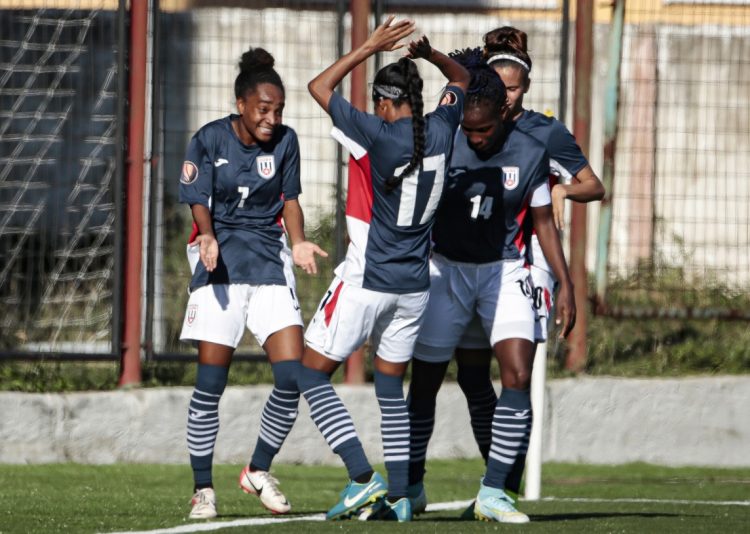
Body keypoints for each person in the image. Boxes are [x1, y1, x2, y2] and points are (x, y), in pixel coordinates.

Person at [299, 16, 469, 522]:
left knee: (309, 376)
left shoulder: (379, 134)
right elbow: (460, 81)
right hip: (414, 287)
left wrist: (368, 46)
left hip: (371, 280)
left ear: (387, 102)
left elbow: (318, 86)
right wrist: (433, 55)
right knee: (391, 388)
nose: (374, 108)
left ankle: (359, 476)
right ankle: (400, 493)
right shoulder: (440, 127)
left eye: (378, 99)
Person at [405, 48, 576, 523]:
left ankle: (495, 491)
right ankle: (411, 485)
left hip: (504, 270)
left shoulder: (531, 149)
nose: (476, 138)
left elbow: (543, 221)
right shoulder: (444, 140)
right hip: (446, 271)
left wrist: (566, 283)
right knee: (425, 383)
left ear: (503, 113)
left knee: (517, 374)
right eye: (469, 130)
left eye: (484, 129)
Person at [178, 47, 326, 520]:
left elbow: (290, 201)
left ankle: (257, 470)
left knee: (290, 376)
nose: (272, 118)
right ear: (241, 103)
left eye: (278, 110)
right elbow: (198, 198)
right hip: (218, 266)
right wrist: (206, 236)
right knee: (210, 384)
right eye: (264, 109)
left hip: (268, 267)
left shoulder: (286, 142)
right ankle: (203, 488)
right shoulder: (208, 139)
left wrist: (299, 242)